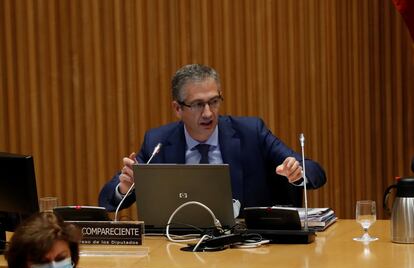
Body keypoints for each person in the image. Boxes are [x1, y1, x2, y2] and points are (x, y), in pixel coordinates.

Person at [99, 64, 326, 213]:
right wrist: (124, 187)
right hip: (180, 249)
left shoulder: (251, 132)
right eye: (198, 104)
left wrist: (297, 173)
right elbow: (106, 199)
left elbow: (315, 170)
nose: (208, 113)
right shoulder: (158, 143)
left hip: (249, 249)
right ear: (177, 108)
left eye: (214, 102)